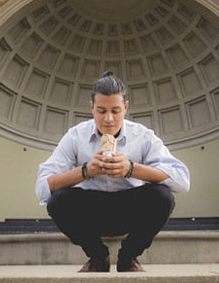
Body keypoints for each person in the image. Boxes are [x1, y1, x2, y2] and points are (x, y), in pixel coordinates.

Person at [35, 71, 190, 272]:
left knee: (163, 197)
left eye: (115, 111)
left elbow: (182, 180)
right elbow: (42, 188)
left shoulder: (142, 136)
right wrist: (85, 171)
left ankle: (128, 257)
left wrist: (132, 169)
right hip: (90, 209)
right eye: (101, 111)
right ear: (92, 108)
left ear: (125, 108)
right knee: (58, 201)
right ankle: (98, 257)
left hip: (130, 207)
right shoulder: (75, 136)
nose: (108, 119)